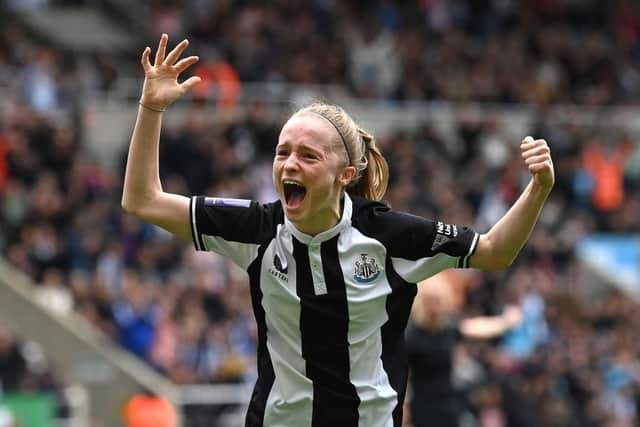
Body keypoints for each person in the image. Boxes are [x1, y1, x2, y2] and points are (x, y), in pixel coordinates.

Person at [121, 34, 555, 427]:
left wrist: (538, 189)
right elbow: (142, 199)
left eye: (308, 156)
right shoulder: (256, 228)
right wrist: (152, 107)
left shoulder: (387, 234)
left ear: (346, 174)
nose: (290, 164)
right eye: (282, 152)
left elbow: (495, 250)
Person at [406, 279, 522, 427]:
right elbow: (404, 376)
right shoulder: (412, 335)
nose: (435, 305)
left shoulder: (448, 329)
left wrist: (505, 322)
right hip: (422, 405)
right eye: (431, 300)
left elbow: (476, 328)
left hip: (448, 403)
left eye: (439, 300)